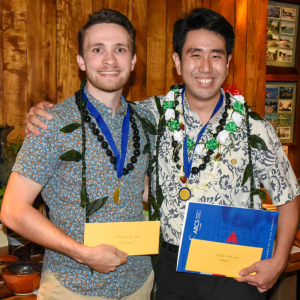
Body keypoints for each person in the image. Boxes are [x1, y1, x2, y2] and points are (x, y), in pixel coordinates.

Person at [22, 8, 300, 300]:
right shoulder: (149, 115)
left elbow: (289, 196)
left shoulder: (255, 129)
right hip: (170, 270)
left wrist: (279, 260)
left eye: (216, 55)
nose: (205, 67)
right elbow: (103, 108)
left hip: (236, 270)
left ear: (228, 62)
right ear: (177, 62)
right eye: (195, 54)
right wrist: (41, 114)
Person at [1, 9, 155, 300]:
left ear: (133, 61)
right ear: (81, 61)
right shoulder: (51, 123)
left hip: (139, 283)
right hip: (72, 288)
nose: (110, 60)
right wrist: (84, 254)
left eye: (120, 50)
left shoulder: (145, 121)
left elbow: (139, 186)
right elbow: (12, 210)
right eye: (98, 50)